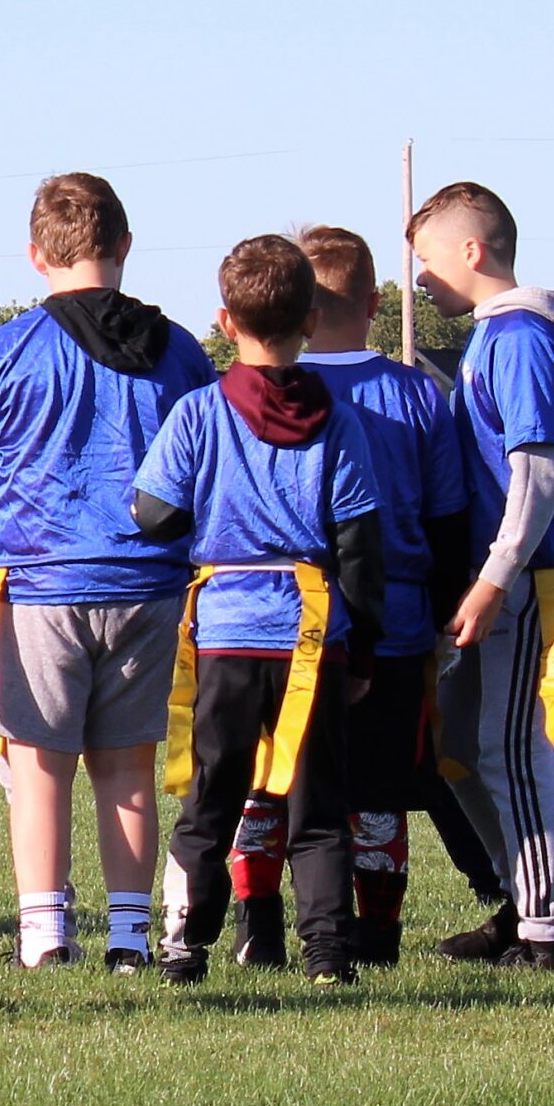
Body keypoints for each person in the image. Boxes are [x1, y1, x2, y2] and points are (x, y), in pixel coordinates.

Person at [0, 173, 213, 970]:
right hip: (150, 585)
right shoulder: (181, 351)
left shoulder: (9, 349)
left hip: (42, 582)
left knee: (39, 764)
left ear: (33, 255)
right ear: (124, 246)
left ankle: (45, 934)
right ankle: (130, 936)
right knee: (127, 767)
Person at [248, 224, 506, 965]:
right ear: (372, 303)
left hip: (279, 622)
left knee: (268, 780)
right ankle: (379, 931)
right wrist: (444, 604)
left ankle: (258, 927)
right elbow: (447, 513)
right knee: (379, 790)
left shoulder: (266, 390)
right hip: (390, 623)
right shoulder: (416, 393)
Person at [133, 236, 386, 986]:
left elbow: (151, 512)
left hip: (227, 630)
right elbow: (362, 546)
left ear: (223, 320)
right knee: (317, 803)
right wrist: (364, 650)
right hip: (313, 634)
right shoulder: (338, 423)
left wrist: (208, 518)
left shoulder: (199, 414)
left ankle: (187, 944)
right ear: (311, 319)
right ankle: (328, 953)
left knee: (213, 792)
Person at [409, 180, 554, 970]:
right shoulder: (498, 335)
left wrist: (495, 575)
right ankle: (520, 899)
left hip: (540, 570)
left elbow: (541, 466)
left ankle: (549, 933)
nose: (420, 278)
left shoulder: (521, 336)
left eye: (426, 258)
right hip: (517, 570)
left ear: (472, 250)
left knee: (507, 748)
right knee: (457, 743)